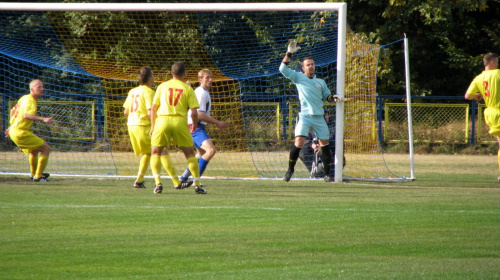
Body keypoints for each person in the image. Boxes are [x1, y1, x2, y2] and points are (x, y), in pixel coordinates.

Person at [279, 40, 341, 182]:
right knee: (299, 142)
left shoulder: (321, 82)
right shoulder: (298, 77)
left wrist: (333, 98)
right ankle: (290, 171)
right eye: (308, 65)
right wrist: (289, 54)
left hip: (319, 117)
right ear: (303, 68)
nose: (311, 66)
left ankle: (327, 174)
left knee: (325, 145)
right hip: (305, 116)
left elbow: (327, 96)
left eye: (312, 64)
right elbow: (282, 69)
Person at [150, 61, 206, 194]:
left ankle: (158, 183)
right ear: (184, 74)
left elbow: (153, 108)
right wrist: (193, 125)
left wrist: (153, 126)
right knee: (190, 154)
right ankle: (197, 185)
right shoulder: (187, 89)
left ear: (171, 73)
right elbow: (193, 112)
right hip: (179, 122)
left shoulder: (162, 86)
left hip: (162, 120)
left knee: (156, 153)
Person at [179, 69, 227, 183]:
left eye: (211, 77)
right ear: (200, 79)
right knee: (210, 151)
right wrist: (217, 122)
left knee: (201, 153)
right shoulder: (201, 93)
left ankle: (183, 178)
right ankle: (195, 181)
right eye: (207, 77)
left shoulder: (203, 92)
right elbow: (199, 114)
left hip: (196, 126)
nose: (210, 80)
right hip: (195, 126)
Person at [5, 79, 52, 182]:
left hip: (15, 130)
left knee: (34, 151)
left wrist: (11, 126)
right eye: (39, 87)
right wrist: (43, 119)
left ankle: (34, 174)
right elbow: (26, 115)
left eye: (42, 87)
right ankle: (38, 177)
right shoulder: (30, 101)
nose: (42, 89)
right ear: (32, 89)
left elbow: (14, 112)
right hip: (20, 132)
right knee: (46, 148)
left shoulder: (23, 98)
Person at [465, 52, 500, 183]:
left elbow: (467, 96)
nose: (497, 64)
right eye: (496, 61)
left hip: (490, 112)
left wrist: (476, 96)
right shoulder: (497, 74)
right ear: (492, 62)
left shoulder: (478, 78)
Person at [123, 66, 156, 189]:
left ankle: (140, 180)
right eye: (152, 74)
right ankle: (173, 181)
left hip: (131, 126)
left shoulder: (132, 91)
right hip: (143, 126)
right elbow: (149, 112)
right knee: (157, 152)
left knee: (148, 153)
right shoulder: (149, 92)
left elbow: (126, 112)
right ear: (149, 78)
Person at [298, 109, 345, 178]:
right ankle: (315, 170)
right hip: (318, 156)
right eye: (322, 115)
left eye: (326, 115)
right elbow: (306, 140)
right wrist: (313, 145)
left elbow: (334, 141)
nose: (324, 117)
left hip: (332, 157)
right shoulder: (314, 127)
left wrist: (323, 147)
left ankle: (329, 172)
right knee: (302, 149)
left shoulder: (335, 127)